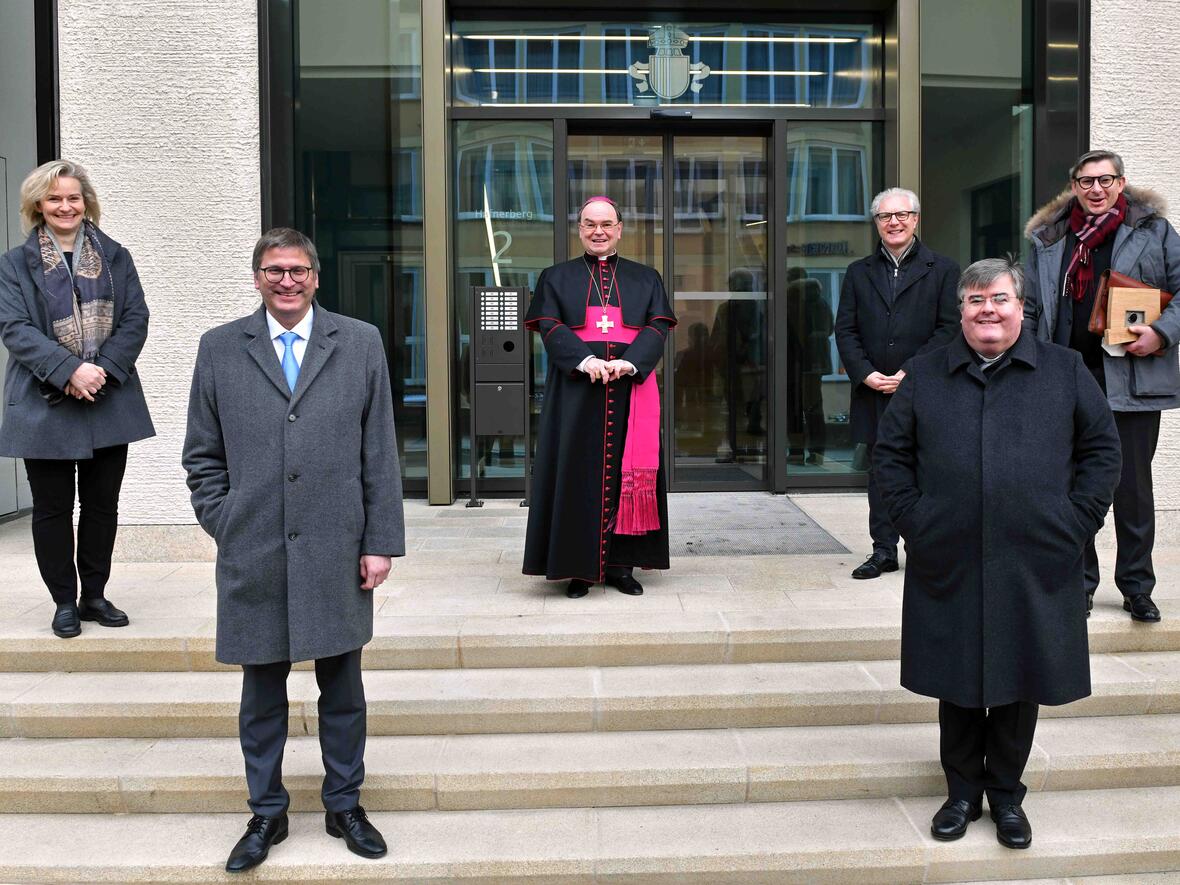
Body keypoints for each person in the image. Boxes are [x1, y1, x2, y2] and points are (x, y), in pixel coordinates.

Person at [875, 258, 1121, 850]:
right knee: (957, 677)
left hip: (1036, 556)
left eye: (1000, 298)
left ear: (1021, 308)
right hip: (949, 554)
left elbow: (1102, 451)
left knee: (1020, 677)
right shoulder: (926, 373)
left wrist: (1075, 523)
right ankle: (961, 792)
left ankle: (1007, 794)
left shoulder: (1064, 369)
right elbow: (891, 457)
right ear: (961, 310)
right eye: (976, 300)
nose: (988, 310)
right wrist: (918, 524)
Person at [182, 228, 404, 873]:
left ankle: (345, 805)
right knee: (261, 693)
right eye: (275, 270)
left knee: (343, 688)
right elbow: (202, 455)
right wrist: (226, 521)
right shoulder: (221, 347)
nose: (287, 281)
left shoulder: (359, 342)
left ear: (315, 277)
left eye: (298, 270)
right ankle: (266, 812)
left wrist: (379, 542)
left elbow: (379, 451)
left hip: (337, 544)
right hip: (253, 547)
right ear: (257, 277)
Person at [1024, 149, 1180, 623]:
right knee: (1072, 486)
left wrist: (1161, 333)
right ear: (1074, 186)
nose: (1096, 189)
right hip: (1066, 380)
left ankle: (1137, 587)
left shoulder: (1154, 230)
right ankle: (1080, 583)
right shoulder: (1050, 237)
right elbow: (1029, 307)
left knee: (1132, 489)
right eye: (1086, 181)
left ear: (1121, 183)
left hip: (1131, 378)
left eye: (1105, 180)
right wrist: (1027, 363)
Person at [0, 160, 154, 638]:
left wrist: (99, 370)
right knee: (52, 509)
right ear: (38, 205)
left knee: (101, 505)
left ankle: (94, 596)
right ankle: (64, 601)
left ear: (86, 202)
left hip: (107, 397)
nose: (65, 206)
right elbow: (15, 328)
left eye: (73, 197)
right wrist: (69, 370)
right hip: (43, 400)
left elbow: (136, 318)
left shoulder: (117, 256)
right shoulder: (13, 263)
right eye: (54, 198)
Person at [523, 196, 676, 598]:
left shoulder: (646, 278)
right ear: (580, 230)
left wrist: (630, 363)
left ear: (619, 229)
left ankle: (621, 567)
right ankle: (578, 568)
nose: (598, 232)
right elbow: (550, 325)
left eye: (606, 224)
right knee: (576, 474)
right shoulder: (555, 277)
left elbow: (658, 326)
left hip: (630, 390)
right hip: (576, 392)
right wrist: (585, 359)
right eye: (590, 224)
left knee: (628, 474)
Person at [835, 187, 959, 579]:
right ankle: (883, 550)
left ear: (916, 219)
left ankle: (923, 547)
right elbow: (845, 330)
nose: (894, 222)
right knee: (881, 472)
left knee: (926, 469)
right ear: (876, 223)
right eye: (885, 216)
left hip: (924, 387)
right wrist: (865, 372)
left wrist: (910, 372)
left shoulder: (944, 270)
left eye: (902, 215)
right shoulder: (858, 272)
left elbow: (949, 329)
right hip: (874, 389)